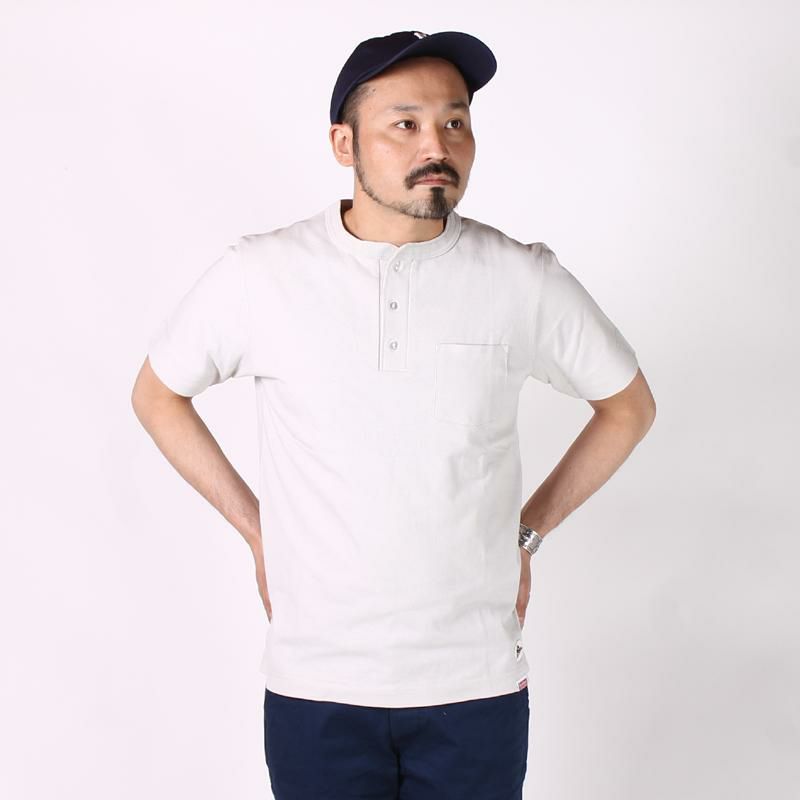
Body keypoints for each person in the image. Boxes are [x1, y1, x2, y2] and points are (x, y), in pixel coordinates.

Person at [131, 29, 656, 800]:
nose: (436, 145)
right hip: (316, 686)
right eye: (404, 123)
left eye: (455, 121)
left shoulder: (521, 278)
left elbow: (627, 407)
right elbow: (158, 395)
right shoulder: (263, 274)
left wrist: (528, 534)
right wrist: (257, 529)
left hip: (474, 685)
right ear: (344, 143)